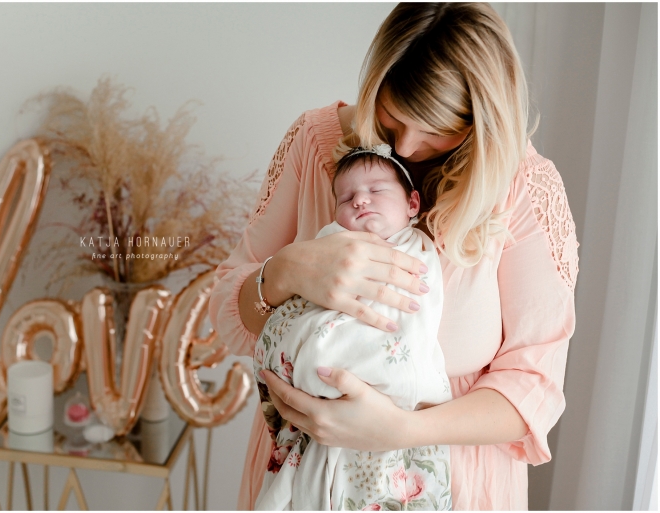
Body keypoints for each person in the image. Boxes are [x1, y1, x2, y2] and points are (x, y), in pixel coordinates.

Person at [209, 3, 579, 510]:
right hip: (301, 477)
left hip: (454, 480)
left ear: (482, 119)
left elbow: (534, 388)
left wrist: (401, 430)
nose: (405, 145)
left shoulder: (525, 191)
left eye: (436, 128)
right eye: (395, 115)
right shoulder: (315, 143)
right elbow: (226, 314)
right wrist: (286, 272)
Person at [253, 145, 452, 510]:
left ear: (412, 204)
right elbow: (299, 311)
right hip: (316, 406)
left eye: (376, 190)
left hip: (397, 419)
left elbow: (417, 319)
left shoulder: (419, 249)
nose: (360, 200)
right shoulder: (329, 244)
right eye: (346, 198)